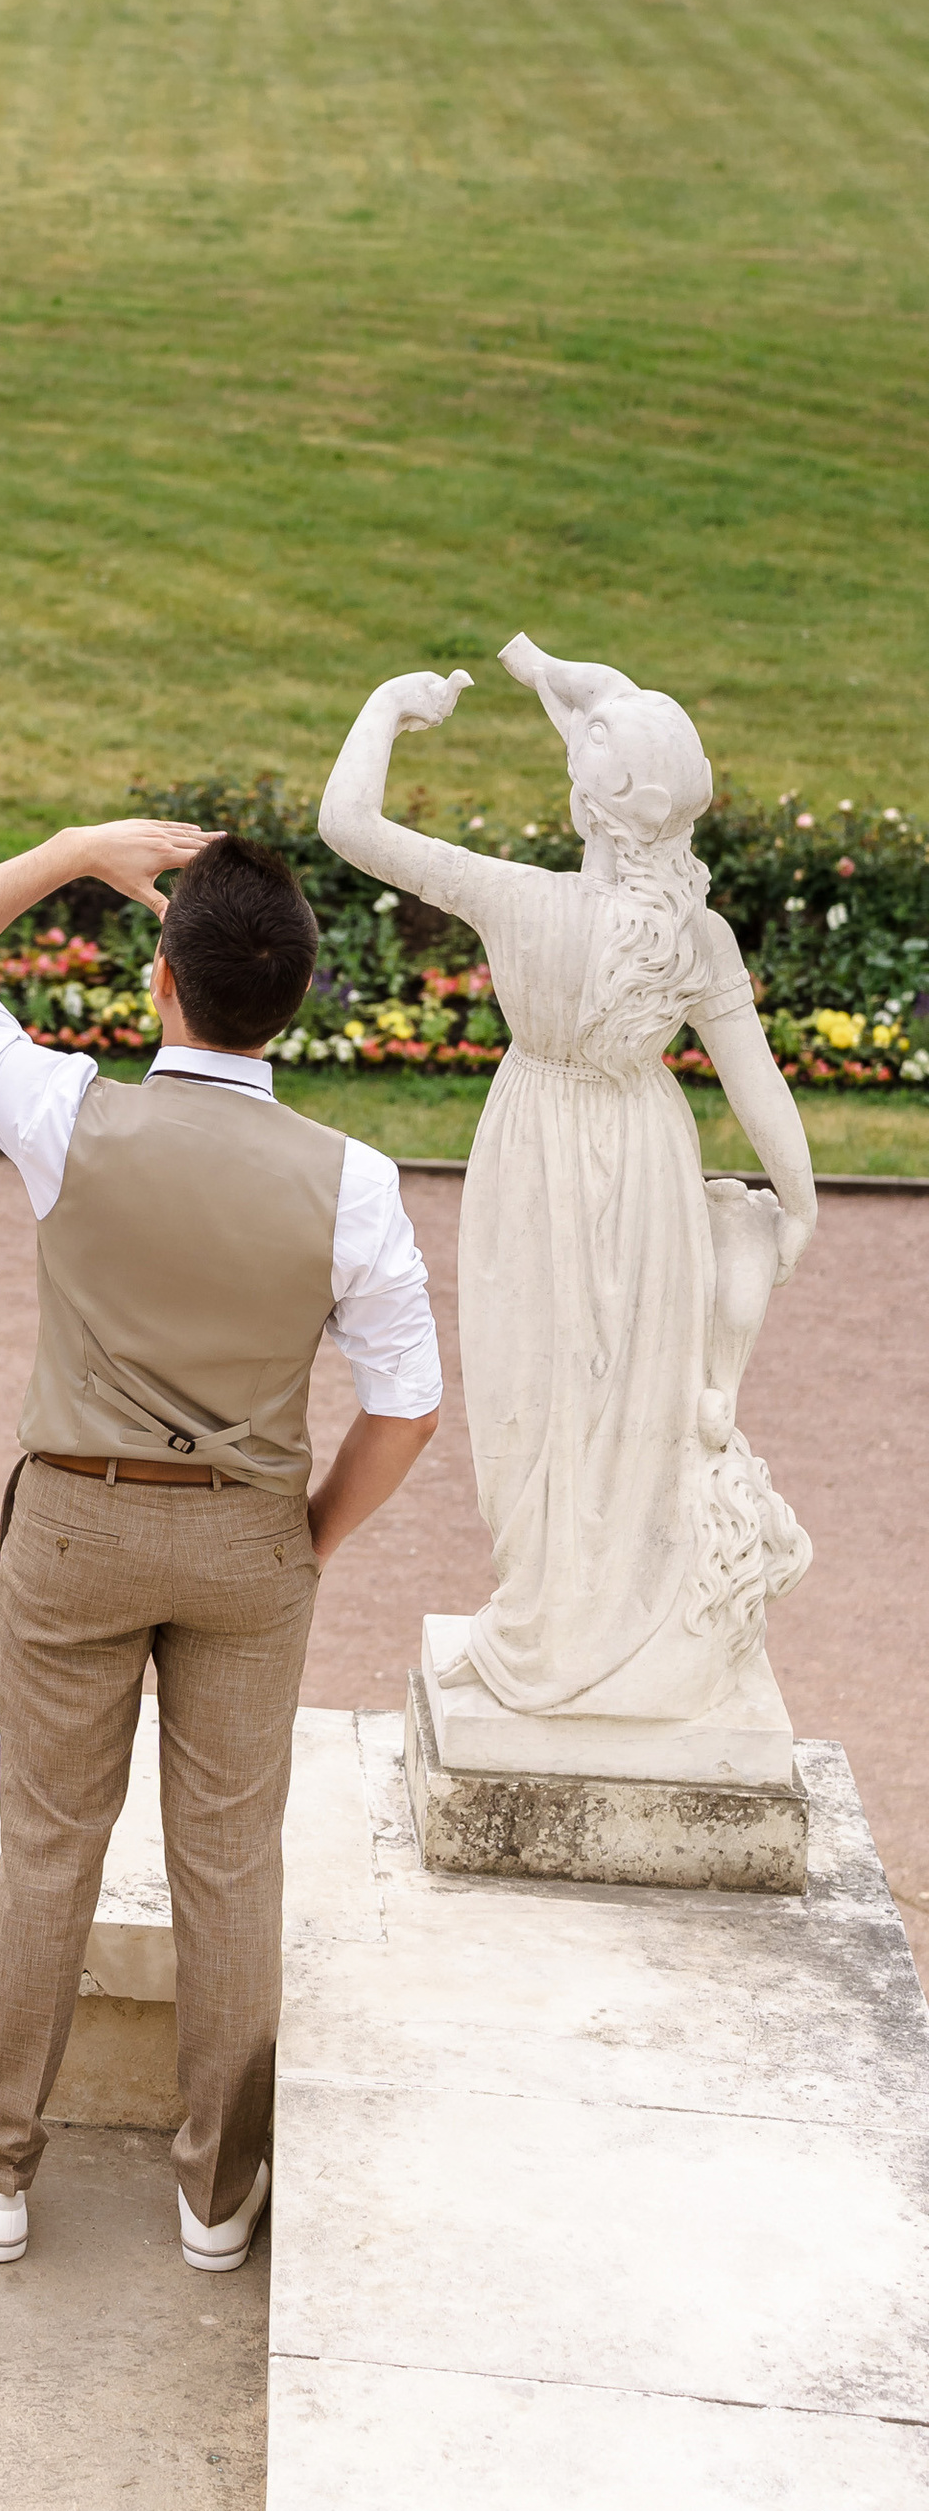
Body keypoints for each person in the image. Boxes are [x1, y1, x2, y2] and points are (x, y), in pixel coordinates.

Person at [0, 823, 442, 2273]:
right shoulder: (357, 1184)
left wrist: (72, 849)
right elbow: (409, 1409)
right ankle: (213, 2194)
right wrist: (300, 1540)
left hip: (72, 1527)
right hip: (250, 1547)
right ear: (300, 998)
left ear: (160, 984)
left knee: (49, 1849)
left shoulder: (69, 1115)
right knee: (233, 1864)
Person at [319, 643, 812, 1720]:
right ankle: (613, 1618)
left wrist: (387, 707)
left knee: (533, 1386)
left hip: (535, 1145)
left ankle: (543, 1610)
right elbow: (758, 1088)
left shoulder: (517, 901)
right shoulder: (697, 934)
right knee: (628, 1394)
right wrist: (800, 1203)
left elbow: (347, 826)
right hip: (643, 1153)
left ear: (592, 801)